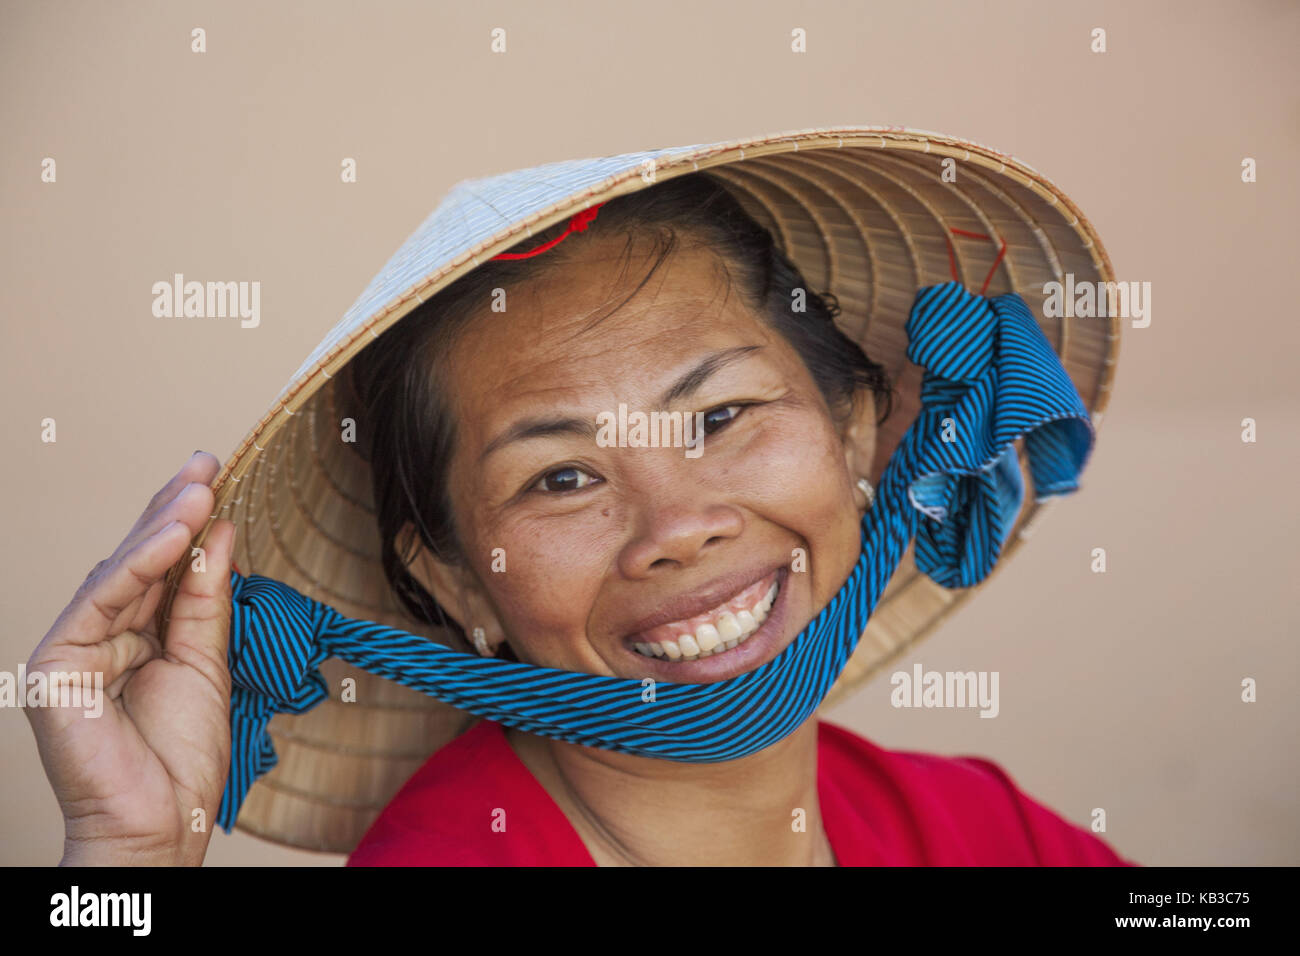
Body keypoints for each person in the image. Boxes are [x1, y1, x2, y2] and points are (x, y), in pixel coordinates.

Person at [25, 131, 1134, 866]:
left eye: (720, 417)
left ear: (854, 427)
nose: (677, 525)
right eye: (562, 477)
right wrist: (123, 869)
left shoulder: (971, 828)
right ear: (458, 575)